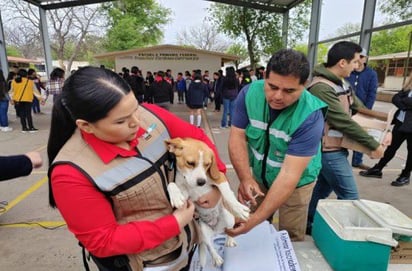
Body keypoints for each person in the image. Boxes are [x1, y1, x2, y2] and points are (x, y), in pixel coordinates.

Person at [47, 66, 224, 271]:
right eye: (121, 121)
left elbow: (199, 139)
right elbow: (103, 241)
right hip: (147, 263)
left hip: (186, 246)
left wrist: (216, 182)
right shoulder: (70, 173)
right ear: (86, 126)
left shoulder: (152, 116)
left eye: (135, 109)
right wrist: (173, 223)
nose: (137, 123)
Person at [226, 49, 327, 241]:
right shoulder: (249, 94)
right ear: (265, 77)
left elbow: (289, 175)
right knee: (254, 233)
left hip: (297, 184)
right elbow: (237, 137)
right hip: (259, 177)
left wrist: (255, 218)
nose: (278, 96)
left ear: (304, 86)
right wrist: (246, 178)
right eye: (272, 87)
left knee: (290, 237)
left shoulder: (310, 115)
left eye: (289, 91)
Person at [306, 41, 386, 234]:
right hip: (327, 150)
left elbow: (358, 108)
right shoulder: (321, 87)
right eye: (355, 62)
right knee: (350, 197)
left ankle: (309, 223)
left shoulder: (342, 83)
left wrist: (386, 126)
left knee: (323, 190)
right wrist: (373, 145)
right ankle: (344, 236)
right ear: (342, 62)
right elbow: (343, 121)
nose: (357, 66)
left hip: (336, 147)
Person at [360, 72, 412, 187]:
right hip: (400, 122)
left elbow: (403, 100)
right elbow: (395, 98)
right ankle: (378, 169)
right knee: (391, 147)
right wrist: (406, 104)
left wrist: (405, 102)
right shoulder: (409, 86)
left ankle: (405, 175)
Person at [347, 48, 378, 170]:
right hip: (347, 108)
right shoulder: (349, 73)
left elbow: (372, 93)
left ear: (365, 58)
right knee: (342, 133)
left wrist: (366, 111)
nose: (359, 59)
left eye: (361, 57)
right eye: (357, 57)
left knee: (360, 134)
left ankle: (357, 160)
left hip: (362, 110)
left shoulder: (371, 74)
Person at [10, 69, 43, 133]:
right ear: (26, 74)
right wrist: (41, 99)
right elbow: (35, 92)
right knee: (28, 114)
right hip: (27, 99)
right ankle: (31, 127)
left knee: (22, 114)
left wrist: (11, 100)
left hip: (18, 100)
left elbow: (11, 92)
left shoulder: (14, 81)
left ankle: (24, 128)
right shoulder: (30, 82)